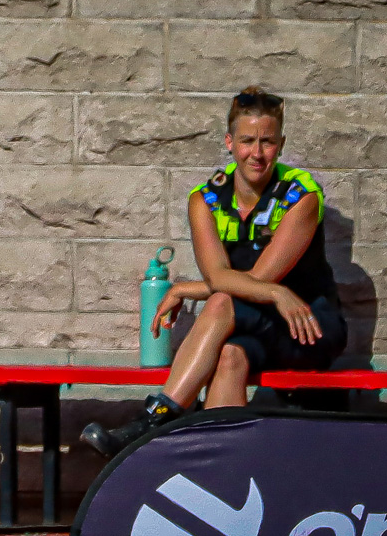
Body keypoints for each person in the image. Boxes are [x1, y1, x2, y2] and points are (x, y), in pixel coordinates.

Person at [81, 87, 348, 457]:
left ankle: (155, 421)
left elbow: (258, 279)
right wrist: (274, 293)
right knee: (229, 357)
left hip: (305, 327)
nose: (257, 153)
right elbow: (223, 277)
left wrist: (190, 288)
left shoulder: (301, 196)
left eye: (268, 142)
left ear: (281, 144)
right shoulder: (205, 199)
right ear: (229, 142)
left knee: (222, 302)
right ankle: (217, 467)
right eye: (247, 141)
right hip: (254, 323)